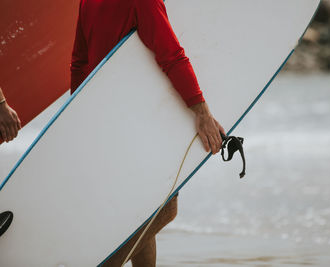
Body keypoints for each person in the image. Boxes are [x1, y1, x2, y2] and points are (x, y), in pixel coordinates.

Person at [70, 0, 225, 266]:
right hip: (140, 124)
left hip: (106, 124)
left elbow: (78, 64)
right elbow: (171, 55)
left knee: (140, 213)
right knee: (164, 209)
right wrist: (202, 112)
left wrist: (81, 123)